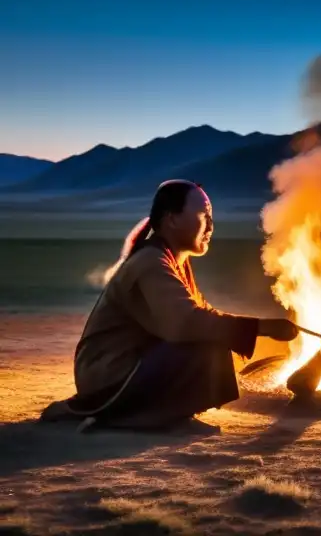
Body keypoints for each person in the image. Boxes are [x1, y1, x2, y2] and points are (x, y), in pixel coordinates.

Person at [40, 179, 299, 433]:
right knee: (208, 338)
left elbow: (201, 313)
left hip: (125, 365)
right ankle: (136, 417)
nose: (210, 225)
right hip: (108, 374)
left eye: (212, 217)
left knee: (216, 332)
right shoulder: (152, 261)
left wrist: (254, 326)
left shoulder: (172, 259)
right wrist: (260, 327)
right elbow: (185, 323)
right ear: (172, 219)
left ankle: (165, 414)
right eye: (204, 215)